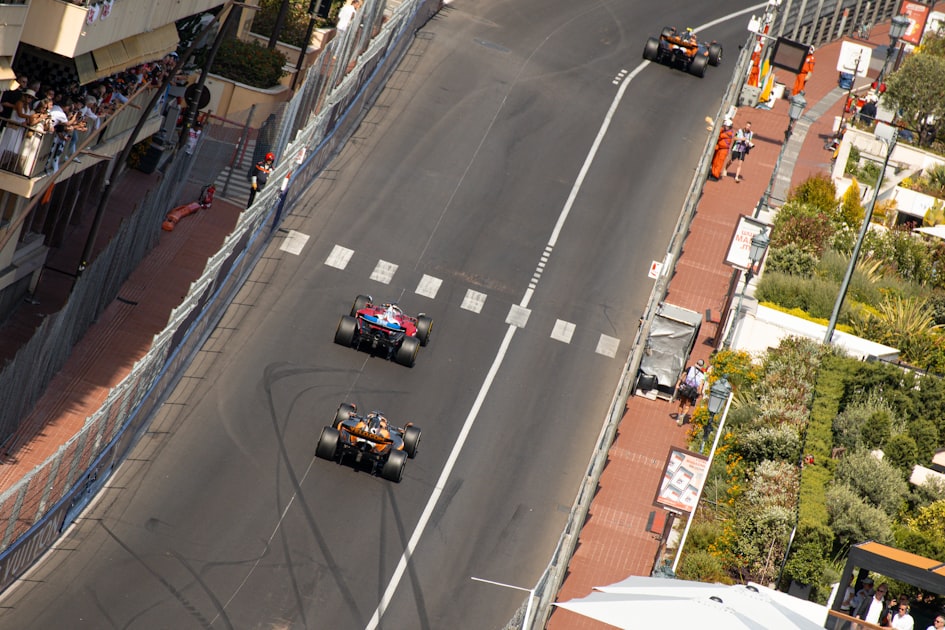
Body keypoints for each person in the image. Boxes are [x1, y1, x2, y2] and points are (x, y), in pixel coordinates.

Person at [675, 359, 706, 424]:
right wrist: (699, 393)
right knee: (687, 405)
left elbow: (682, 376)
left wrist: (678, 384)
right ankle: (682, 416)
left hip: (685, 387)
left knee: (682, 403)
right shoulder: (702, 375)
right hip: (693, 390)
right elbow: (700, 385)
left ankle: (678, 417)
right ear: (702, 366)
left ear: (696, 363)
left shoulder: (690, 368)